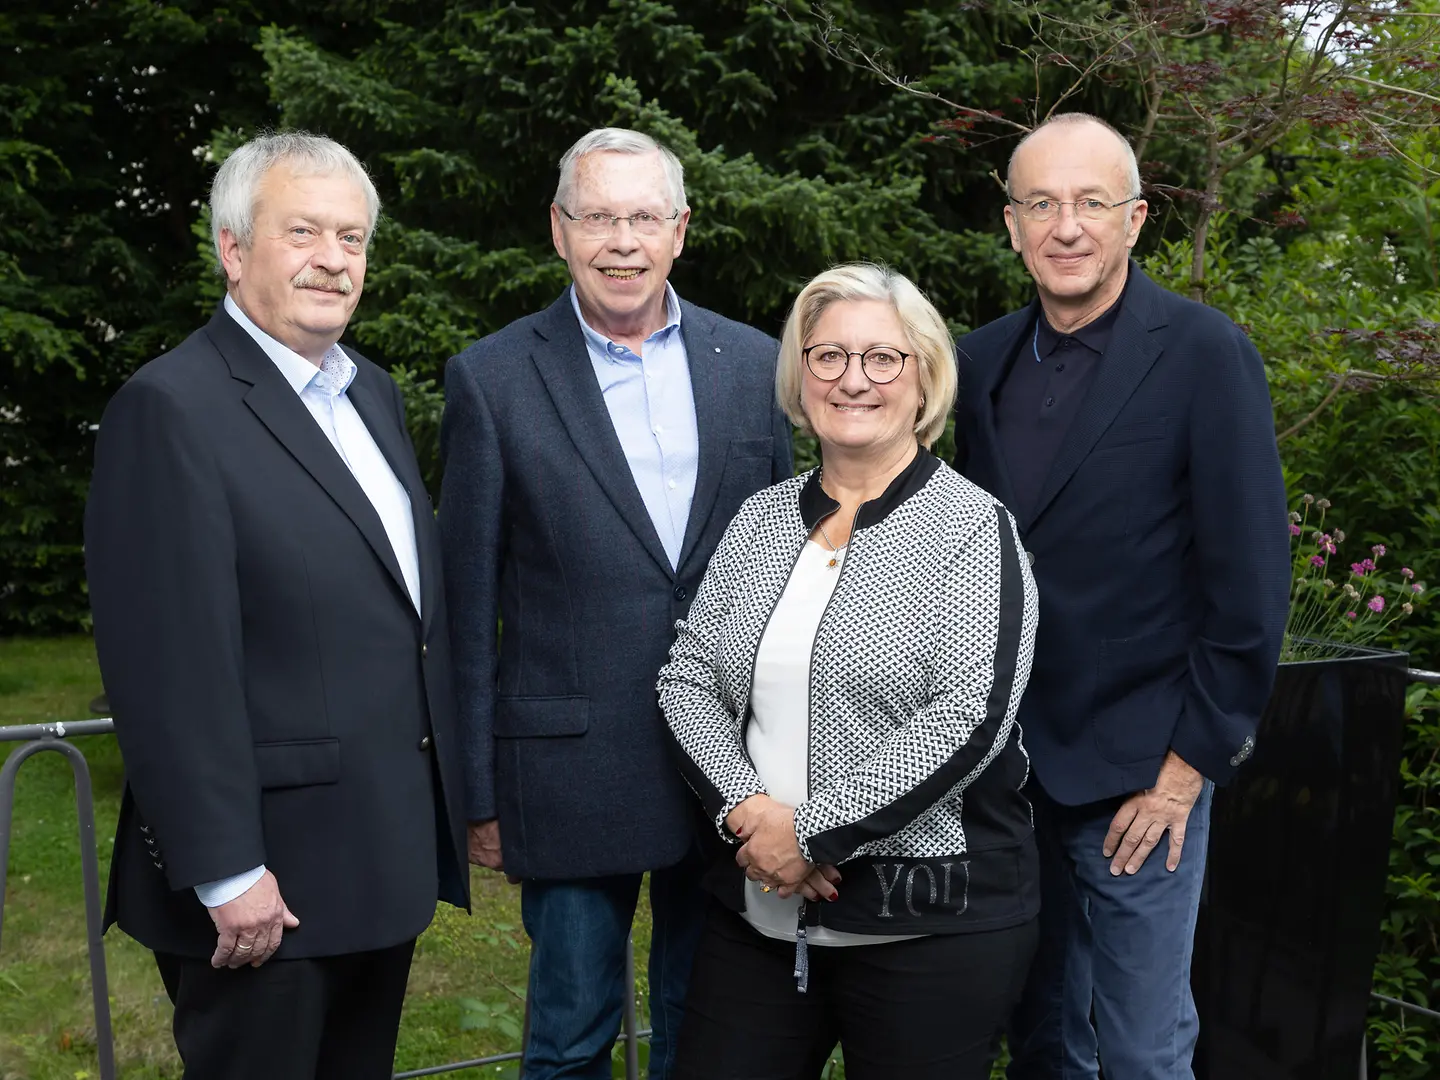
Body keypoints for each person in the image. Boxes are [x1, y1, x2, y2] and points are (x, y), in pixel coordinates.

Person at [83, 132, 469, 1079]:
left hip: (377, 864)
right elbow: (167, 666)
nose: (333, 259)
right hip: (265, 892)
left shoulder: (366, 392)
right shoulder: (171, 408)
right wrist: (225, 871)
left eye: (352, 238)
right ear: (232, 247)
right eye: (302, 231)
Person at [438, 127, 791, 1080]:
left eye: (643, 217)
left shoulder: (756, 366)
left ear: (680, 229)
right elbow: (465, 608)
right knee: (569, 1033)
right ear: (559, 230)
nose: (622, 240)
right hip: (567, 768)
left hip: (730, 766)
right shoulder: (494, 378)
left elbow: (797, 570)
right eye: (599, 216)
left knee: (707, 1024)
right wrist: (476, 791)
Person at [953, 113, 1290, 1080]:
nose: (1066, 226)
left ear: (1135, 220)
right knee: (1044, 1044)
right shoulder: (976, 365)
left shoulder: (1203, 354)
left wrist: (1189, 764)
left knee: (1142, 1051)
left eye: (1091, 203)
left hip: (1145, 779)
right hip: (1008, 778)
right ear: (1011, 224)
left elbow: (1252, 583)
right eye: (1041, 204)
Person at [657, 262, 1041, 1080]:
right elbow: (687, 678)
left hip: (928, 932)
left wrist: (810, 834)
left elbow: (969, 716)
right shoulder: (760, 521)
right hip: (756, 915)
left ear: (924, 376)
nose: (852, 380)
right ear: (801, 374)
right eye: (827, 356)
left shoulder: (973, 530)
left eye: (882, 358)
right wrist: (749, 816)